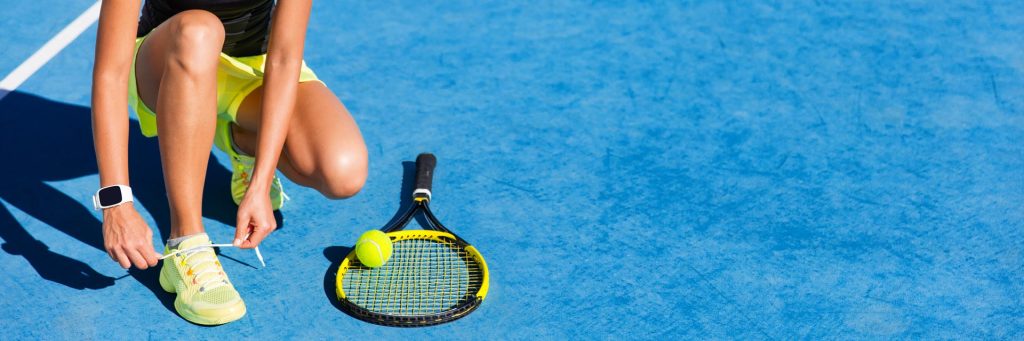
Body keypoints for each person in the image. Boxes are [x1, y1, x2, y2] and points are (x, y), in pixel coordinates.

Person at [91, 0, 367, 325]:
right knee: (200, 30)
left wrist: (260, 183)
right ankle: (186, 241)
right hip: (167, 62)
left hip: (253, 68)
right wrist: (116, 203)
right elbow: (111, 72)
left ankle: (236, 139)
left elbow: (283, 58)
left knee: (341, 173)